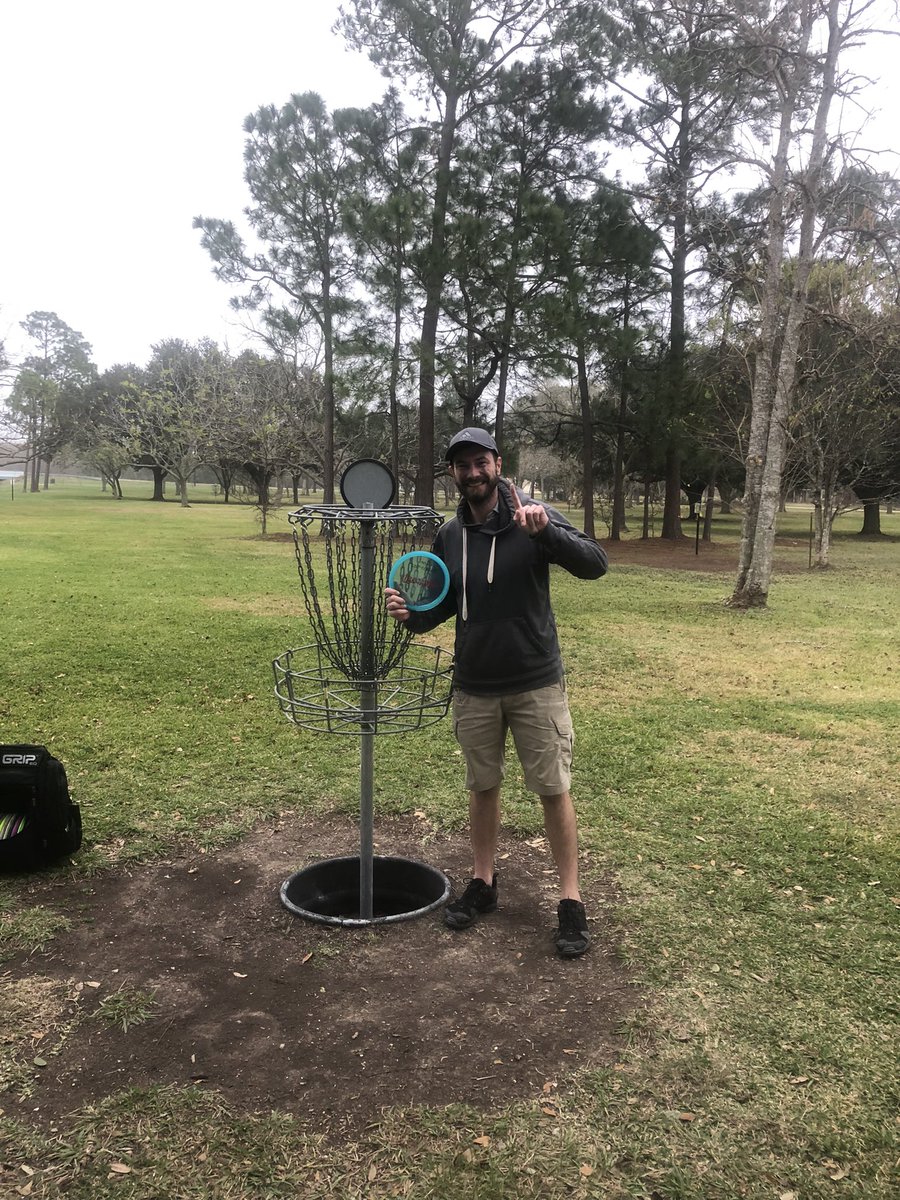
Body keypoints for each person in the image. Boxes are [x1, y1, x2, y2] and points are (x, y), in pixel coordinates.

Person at [385, 428, 608, 957]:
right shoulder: (450, 535)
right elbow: (440, 605)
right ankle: (483, 884)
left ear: (497, 463)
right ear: (454, 474)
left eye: (479, 462)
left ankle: (570, 901)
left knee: (553, 790)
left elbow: (595, 563)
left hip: (535, 682)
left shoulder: (534, 514)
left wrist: (544, 534)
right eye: (462, 466)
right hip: (475, 684)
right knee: (482, 786)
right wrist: (409, 617)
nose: (472, 473)